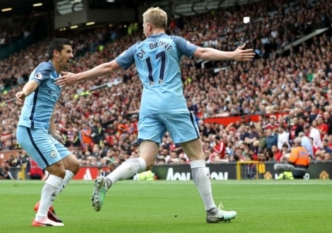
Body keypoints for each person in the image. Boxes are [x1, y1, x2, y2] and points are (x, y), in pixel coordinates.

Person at [57, 7, 254, 223]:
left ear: (149, 26)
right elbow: (202, 53)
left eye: (143, 26)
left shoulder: (137, 48)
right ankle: (212, 211)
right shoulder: (174, 42)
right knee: (197, 156)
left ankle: (109, 180)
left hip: (149, 106)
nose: (142, 29)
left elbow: (110, 66)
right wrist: (232, 55)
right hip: (172, 103)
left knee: (146, 160)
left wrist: (78, 77)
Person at [15, 38, 80, 227]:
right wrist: (23, 93)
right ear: (56, 53)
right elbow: (33, 83)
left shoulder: (59, 80)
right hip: (30, 129)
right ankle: (41, 217)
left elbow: (48, 108)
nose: (71, 55)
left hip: (43, 131)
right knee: (58, 170)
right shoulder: (45, 68)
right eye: (68, 51)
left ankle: (46, 203)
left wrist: (54, 132)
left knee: (73, 165)